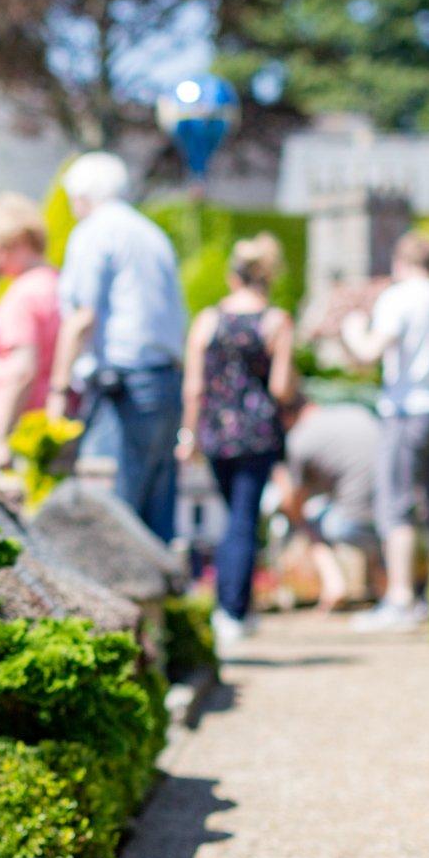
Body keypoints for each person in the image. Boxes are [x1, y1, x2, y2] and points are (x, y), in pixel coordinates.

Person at [47, 152, 189, 541]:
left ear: (84, 194)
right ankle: (164, 601)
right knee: (157, 507)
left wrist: (58, 391)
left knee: (110, 509)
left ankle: (119, 602)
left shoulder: (95, 231)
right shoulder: (151, 233)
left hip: (123, 384)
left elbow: (82, 317)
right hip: (165, 379)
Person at [339, 231, 429, 628]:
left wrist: (352, 328)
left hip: (406, 410)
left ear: (400, 262)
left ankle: (400, 599)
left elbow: (369, 352)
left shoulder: (400, 298)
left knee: (397, 507)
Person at [178, 234, 294, 650]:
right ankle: (232, 608)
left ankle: (233, 606)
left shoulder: (208, 320)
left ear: (232, 277)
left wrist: (188, 434)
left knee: (234, 516)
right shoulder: (275, 321)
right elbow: (281, 388)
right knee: (243, 518)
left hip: (215, 431)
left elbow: (194, 385)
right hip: (257, 432)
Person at [0, 193, 61, 469]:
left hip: (21, 429)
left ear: (20, 243)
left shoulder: (23, 295)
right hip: (48, 421)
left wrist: (2, 436)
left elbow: (23, 369)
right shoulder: (55, 283)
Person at [274, 395, 382, 611]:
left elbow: (293, 503)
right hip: (394, 516)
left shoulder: (300, 439)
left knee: (306, 521)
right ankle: (382, 587)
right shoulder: (356, 411)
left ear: (286, 417)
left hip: (354, 525)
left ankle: (335, 585)